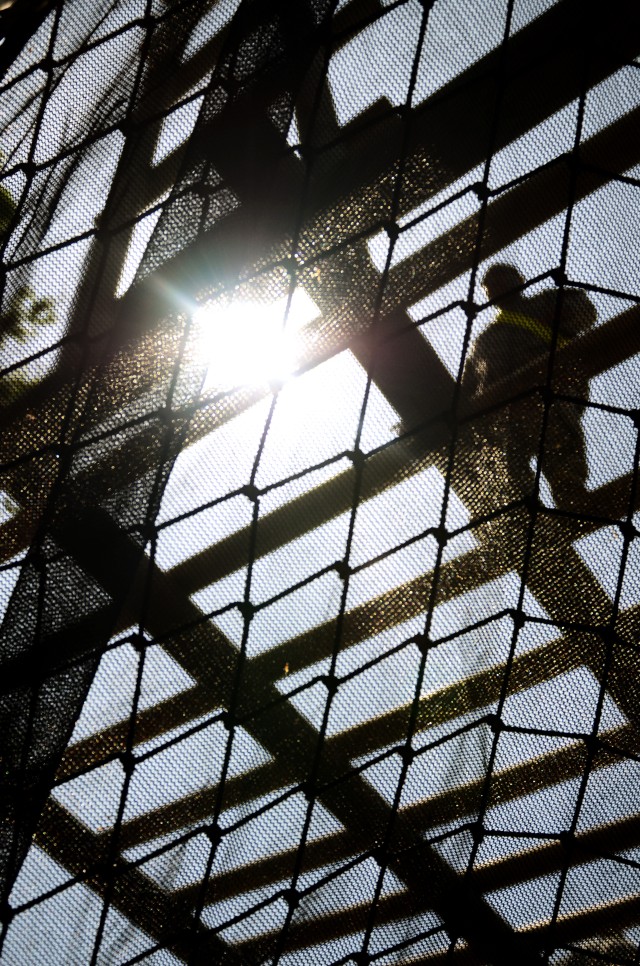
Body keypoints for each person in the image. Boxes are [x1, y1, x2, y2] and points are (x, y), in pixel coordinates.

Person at [462, 263, 596, 513]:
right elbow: (466, 388)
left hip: (548, 392)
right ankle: (520, 512)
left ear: (520, 280)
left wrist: (560, 314)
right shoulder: (483, 341)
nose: (497, 287)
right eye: (491, 285)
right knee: (508, 473)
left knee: (560, 448)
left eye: (503, 279)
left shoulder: (547, 301)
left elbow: (585, 312)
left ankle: (569, 494)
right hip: (505, 414)